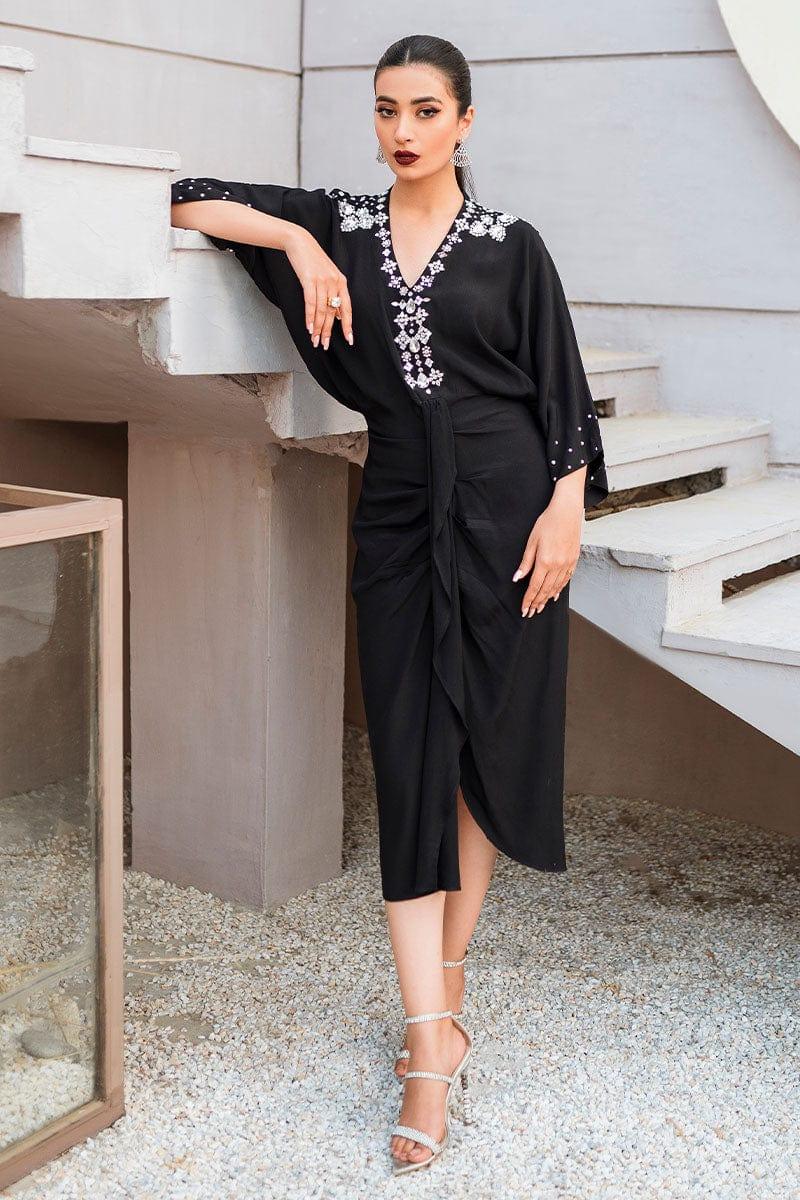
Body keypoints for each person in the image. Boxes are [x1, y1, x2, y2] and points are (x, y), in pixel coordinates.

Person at [170, 32, 609, 1177]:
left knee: (482, 760)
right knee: (411, 760)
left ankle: (438, 1010)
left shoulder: (511, 246)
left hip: (510, 520)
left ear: (464, 120)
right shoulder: (341, 226)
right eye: (384, 109)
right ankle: (427, 1047)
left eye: (423, 110)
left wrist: (566, 506)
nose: (402, 131)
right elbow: (186, 199)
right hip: (400, 517)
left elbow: (559, 390)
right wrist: (291, 242)